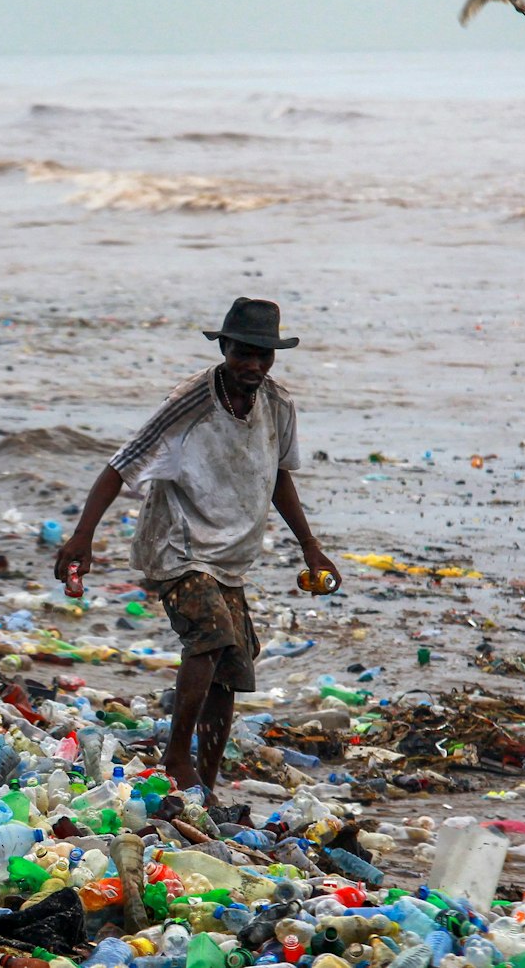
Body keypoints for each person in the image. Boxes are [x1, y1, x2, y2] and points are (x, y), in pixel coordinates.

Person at [53, 297, 338, 797]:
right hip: (177, 545)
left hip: (230, 556)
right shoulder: (193, 400)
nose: (252, 365)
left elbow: (279, 479)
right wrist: (83, 536)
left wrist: (310, 547)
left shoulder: (278, 405)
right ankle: (176, 757)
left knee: (232, 667)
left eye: (263, 355)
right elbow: (122, 465)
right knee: (209, 636)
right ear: (224, 347)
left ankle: (203, 782)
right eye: (243, 353)